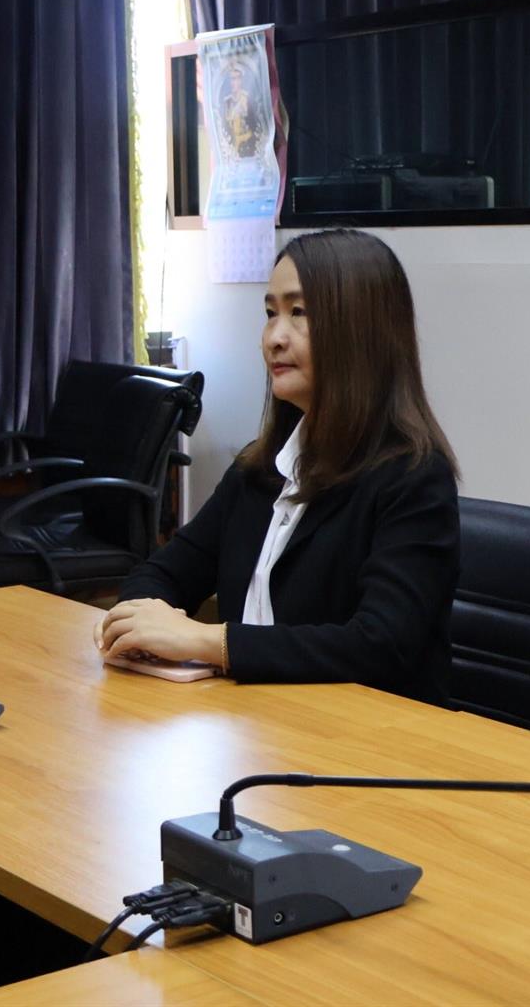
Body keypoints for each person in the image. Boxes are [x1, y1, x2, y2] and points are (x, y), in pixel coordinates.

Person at [97, 229, 459, 705]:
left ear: (361, 329)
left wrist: (209, 642)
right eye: (270, 313)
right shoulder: (259, 468)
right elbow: (164, 572)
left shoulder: (414, 477)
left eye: (298, 313)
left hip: (360, 732)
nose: (274, 337)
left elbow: (380, 645)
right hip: (257, 720)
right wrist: (139, 620)